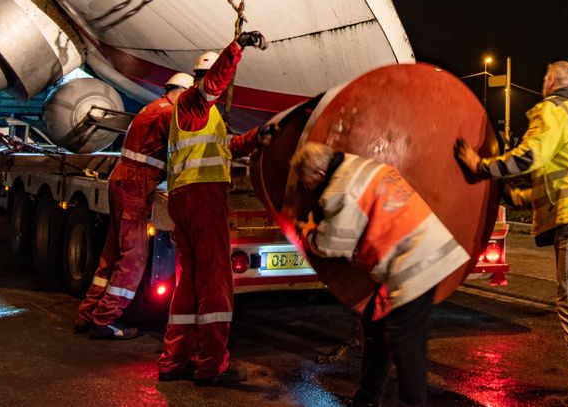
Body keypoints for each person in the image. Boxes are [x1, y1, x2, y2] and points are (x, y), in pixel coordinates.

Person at [455, 60, 568, 407]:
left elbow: (529, 156)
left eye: (545, 78)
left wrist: (480, 166)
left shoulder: (552, 109)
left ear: (551, 80)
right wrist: (517, 197)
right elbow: (566, 174)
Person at [292, 142, 470, 407]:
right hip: (420, 250)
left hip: (415, 263)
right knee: (375, 325)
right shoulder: (360, 165)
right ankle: (366, 399)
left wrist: (306, 231)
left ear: (319, 174)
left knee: (406, 341)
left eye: (308, 183)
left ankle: (409, 404)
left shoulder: (341, 190)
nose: (308, 189)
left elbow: (331, 244)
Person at [157, 31, 267, 386]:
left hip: (185, 198)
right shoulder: (193, 103)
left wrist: (258, 137)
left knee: (189, 285)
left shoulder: (203, 116)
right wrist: (236, 48)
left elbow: (226, 148)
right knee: (216, 282)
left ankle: (174, 360)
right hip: (203, 199)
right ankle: (211, 365)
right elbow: (212, 84)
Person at [76, 70, 195, 340]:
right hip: (136, 184)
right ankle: (104, 319)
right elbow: (182, 151)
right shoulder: (170, 114)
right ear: (184, 94)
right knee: (134, 257)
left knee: (112, 253)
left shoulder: (151, 108)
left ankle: (88, 314)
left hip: (123, 178)